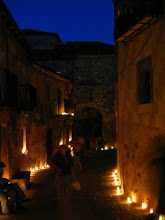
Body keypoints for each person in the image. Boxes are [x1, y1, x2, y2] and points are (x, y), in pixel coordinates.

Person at [53, 145, 74, 220]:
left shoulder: (68, 155)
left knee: (66, 184)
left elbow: (71, 163)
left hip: (66, 173)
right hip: (59, 173)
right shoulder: (57, 156)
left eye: (63, 149)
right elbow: (54, 163)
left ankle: (65, 196)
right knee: (59, 185)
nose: (62, 151)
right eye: (61, 149)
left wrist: (72, 172)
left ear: (65, 149)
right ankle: (60, 196)